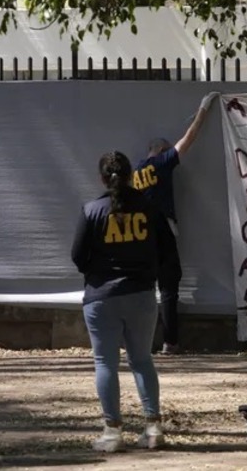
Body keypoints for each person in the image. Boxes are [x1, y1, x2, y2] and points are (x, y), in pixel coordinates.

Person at [71, 151, 180, 452]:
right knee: (142, 360)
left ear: (102, 178)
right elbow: (168, 250)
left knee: (105, 362)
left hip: (101, 298)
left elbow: (78, 257)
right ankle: (153, 427)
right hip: (142, 295)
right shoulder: (150, 209)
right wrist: (147, 271)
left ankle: (112, 431)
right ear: (133, 175)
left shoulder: (92, 209)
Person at [132, 92, 220, 355]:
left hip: (140, 234)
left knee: (145, 289)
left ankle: (140, 341)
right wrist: (203, 110)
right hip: (162, 231)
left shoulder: (137, 171)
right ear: (161, 150)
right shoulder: (162, 162)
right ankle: (170, 342)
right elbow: (189, 139)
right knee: (169, 287)